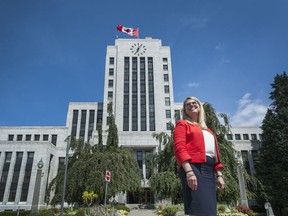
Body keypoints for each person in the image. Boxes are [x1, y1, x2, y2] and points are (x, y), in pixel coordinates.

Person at [173, 96, 225, 216]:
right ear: (185, 110)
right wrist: (189, 172)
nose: (191, 105)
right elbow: (179, 148)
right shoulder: (182, 124)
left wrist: (219, 175)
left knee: (210, 210)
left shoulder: (209, 130)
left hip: (209, 170)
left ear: (200, 106)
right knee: (199, 208)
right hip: (193, 167)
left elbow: (215, 154)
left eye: (194, 103)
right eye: (188, 104)